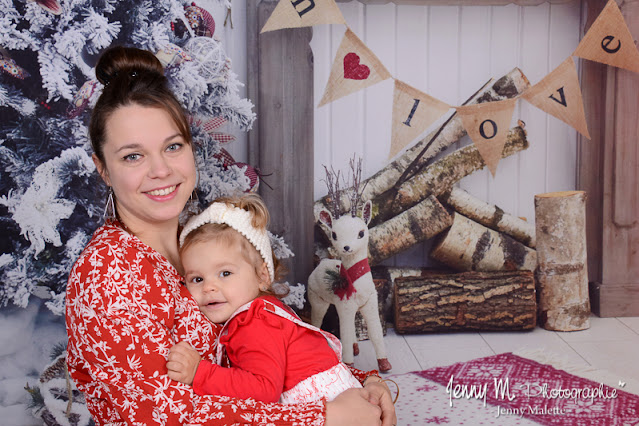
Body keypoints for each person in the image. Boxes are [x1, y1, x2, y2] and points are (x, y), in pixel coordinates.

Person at [65, 45, 397, 425]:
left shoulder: (203, 239)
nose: (161, 170)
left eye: (173, 146)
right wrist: (322, 418)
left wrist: (358, 387)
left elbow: (274, 347)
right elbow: (156, 415)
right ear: (103, 168)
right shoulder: (108, 274)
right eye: (133, 156)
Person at [167, 194, 364, 404]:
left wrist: (199, 372)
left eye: (225, 273)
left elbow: (263, 390)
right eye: (197, 278)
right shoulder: (265, 310)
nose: (208, 287)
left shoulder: (256, 322)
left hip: (328, 406)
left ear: (262, 276)